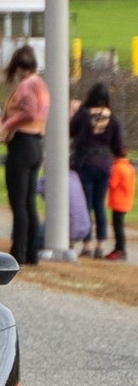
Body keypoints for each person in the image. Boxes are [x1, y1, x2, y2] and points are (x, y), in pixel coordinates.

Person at [0, 45, 47, 265]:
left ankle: (18, 251)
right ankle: (31, 253)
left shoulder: (26, 85)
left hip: (21, 145)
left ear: (18, 66)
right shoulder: (41, 84)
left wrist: (6, 124)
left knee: (18, 202)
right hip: (36, 145)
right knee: (29, 202)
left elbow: (29, 111)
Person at [69, 82, 125, 260]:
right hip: (104, 165)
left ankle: (87, 244)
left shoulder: (83, 115)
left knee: (86, 205)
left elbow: (70, 131)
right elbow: (119, 146)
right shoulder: (113, 119)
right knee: (99, 205)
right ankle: (100, 245)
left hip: (85, 163)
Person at [109, 154, 133, 262]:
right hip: (126, 200)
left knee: (118, 227)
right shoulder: (128, 167)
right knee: (119, 226)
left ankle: (120, 250)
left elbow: (113, 184)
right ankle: (118, 249)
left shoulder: (117, 168)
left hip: (118, 201)